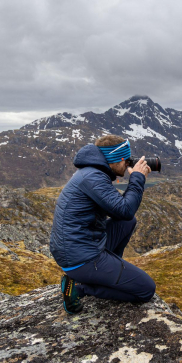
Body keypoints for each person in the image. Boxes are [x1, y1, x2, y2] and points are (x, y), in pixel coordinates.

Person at [49, 134, 156, 314]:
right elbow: (125, 209)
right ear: (116, 159)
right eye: (126, 160)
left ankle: (107, 274)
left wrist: (135, 178)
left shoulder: (91, 174)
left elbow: (121, 212)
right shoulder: (93, 178)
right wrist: (137, 178)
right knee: (146, 289)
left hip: (80, 247)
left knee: (127, 222)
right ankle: (80, 288)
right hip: (80, 258)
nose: (128, 164)